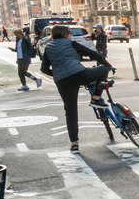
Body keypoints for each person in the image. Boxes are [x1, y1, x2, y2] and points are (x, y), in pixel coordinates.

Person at [40, 25, 113, 154]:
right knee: (102, 70)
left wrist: (58, 74)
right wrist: (109, 66)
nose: (71, 36)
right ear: (66, 34)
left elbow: (44, 69)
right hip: (79, 74)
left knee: (71, 113)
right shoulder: (71, 44)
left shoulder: (48, 48)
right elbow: (93, 54)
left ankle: (74, 145)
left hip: (62, 82)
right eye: (70, 33)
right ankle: (95, 99)